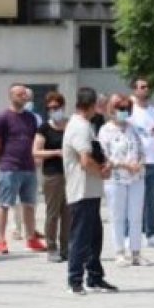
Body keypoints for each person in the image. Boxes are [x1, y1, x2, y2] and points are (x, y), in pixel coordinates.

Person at [63, 86, 118, 295]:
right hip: (82, 190)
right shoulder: (80, 127)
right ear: (91, 105)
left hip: (91, 191)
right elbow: (85, 161)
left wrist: (105, 163)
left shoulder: (86, 125)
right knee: (81, 237)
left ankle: (95, 277)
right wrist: (102, 173)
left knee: (94, 236)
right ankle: (74, 280)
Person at [0, 83, 46, 254]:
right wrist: (1, 160)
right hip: (9, 167)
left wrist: (36, 157)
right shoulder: (3, 117)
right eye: (19, 94)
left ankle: (31, 238)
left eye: (24, 94)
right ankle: (0, 239)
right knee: (5, 204)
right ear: (11, 96)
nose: (23, 97)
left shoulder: (31, 118)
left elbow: (36, 139)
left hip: (28, 167)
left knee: (29, 204)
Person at [99, 93, 147, 266]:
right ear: (112, 109)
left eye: (126, 108)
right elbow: (105, 156)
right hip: (115, 179)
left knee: (136, 216)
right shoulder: (105, 130)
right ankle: (119, 252)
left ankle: (136, 252)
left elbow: (142, 149)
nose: (123, 111)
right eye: (120, 108)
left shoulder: (132, 128)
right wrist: (125, 165)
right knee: (117, 216)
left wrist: (139, 163)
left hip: (136, 177)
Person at [32, 91, 69, 263]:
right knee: (53, 212)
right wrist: (55, 152)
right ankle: (52, 247)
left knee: (68, 213)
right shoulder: (44, 128)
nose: (54, 110)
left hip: (70, 174)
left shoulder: (70, 125)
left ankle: (66, 247)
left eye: (57, 107)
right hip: (52, 174)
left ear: (63, 107)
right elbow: (36, 151)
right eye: (50, 108)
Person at [129, 77, 154, 248]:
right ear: (135, 89)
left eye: (147, 86)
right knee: (136, 200)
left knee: (151, 200)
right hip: (137, 162)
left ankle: (150, 232)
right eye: (142, 86)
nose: (146, 89)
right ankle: (131, 234)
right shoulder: (131, 110)